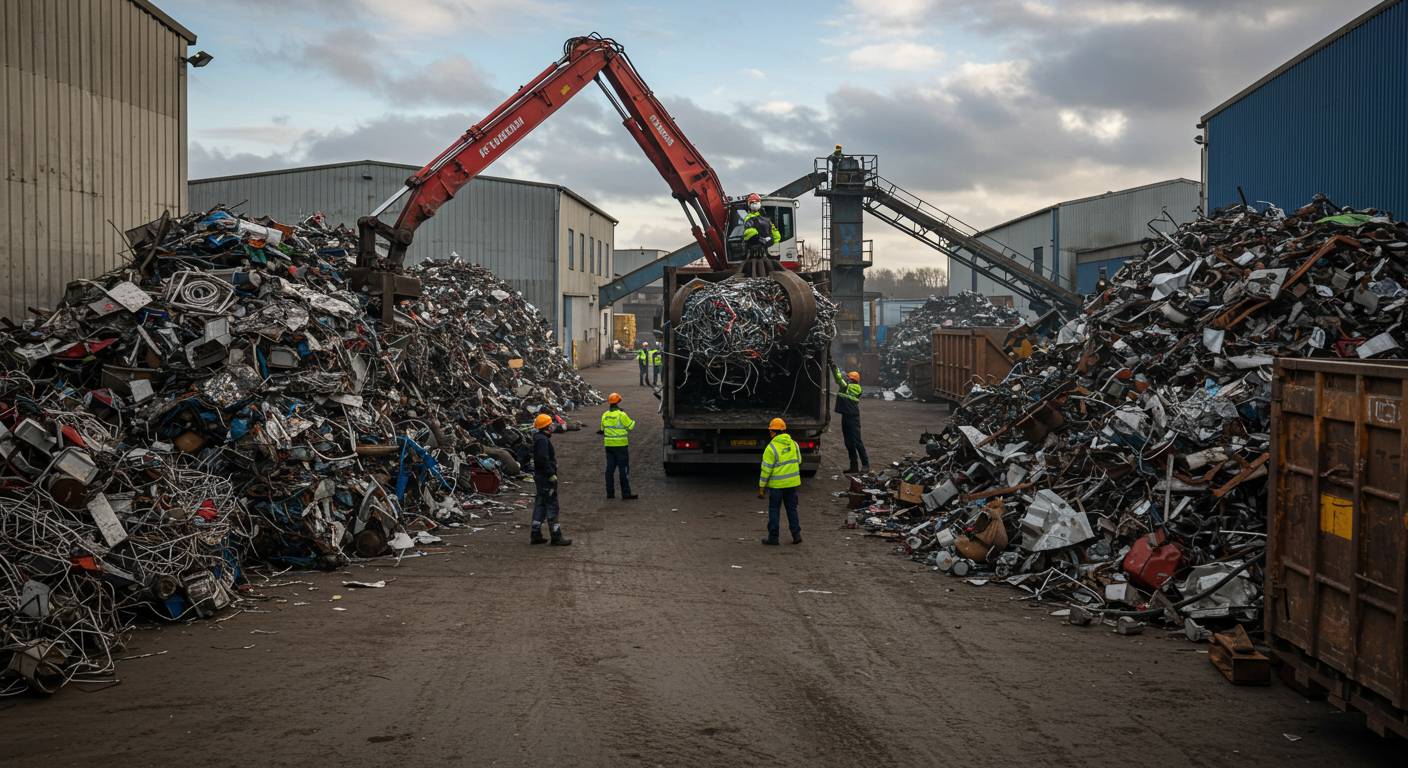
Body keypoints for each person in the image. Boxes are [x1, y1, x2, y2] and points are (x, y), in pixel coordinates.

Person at [757, 417, 802, 546]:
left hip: (776, 486)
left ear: (772, 431)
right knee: (792, 510)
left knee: (774, 510)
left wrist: (761, 488)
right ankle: (796, 534)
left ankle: (773, 537)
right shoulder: (794, 444)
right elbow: (799, 461)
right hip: (792, 485)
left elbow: (766, 470)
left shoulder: (771, 448)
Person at [530, 413, 571, 546]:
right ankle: (556, 536)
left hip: (540, 476)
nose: (553, 426)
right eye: (551, 424)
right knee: (552, 505)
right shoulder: (542, 440)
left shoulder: (538, 438)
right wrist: (550, 473)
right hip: (545, 477)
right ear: (546, 427)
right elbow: (542, 459)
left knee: (540, 504)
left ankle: (535, 534)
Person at [599, 392, 638, 500]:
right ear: (618, 403)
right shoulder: (621, 415)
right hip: (621, 446)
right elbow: (631, 426)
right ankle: (626, 493)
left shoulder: (605, 415)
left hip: (609, 446)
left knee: (609, 469)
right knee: (623, 469)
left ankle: (610, 493)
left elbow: (602, 429)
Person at [831, 363, 869, 474]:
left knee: (857, 442)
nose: (846, 378)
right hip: (846, 417)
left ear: (852, 379)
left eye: (848, 377)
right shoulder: (846, 386)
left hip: (852, 418)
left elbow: (838, 379)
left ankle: (866, 465)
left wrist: (834, 368)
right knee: (849, 443)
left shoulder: (853, 387)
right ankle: (854, 466)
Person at [741, 193, 781, 258]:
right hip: (763, 253)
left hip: (760, 253)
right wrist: (765, 240)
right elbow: (776, 236)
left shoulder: (750, 218)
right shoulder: (766, 219)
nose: (754, 204)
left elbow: (748, 233)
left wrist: (763, 240)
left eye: (756, 202)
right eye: (752, 202)